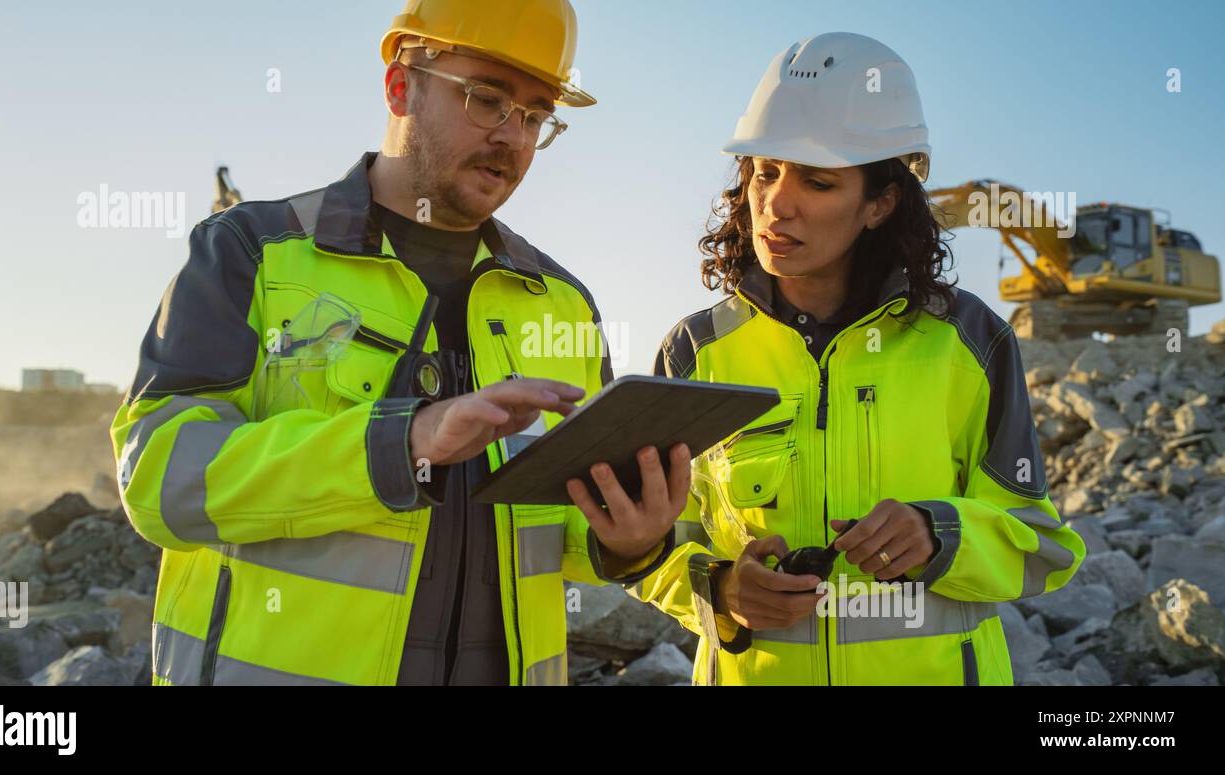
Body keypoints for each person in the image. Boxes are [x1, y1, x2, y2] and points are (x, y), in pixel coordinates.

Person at [110, 0, 689, 686]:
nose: (513, 137)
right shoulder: (253, 252)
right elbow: (160, 478)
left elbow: (554, 532)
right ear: (398, 85)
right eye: (486, 98)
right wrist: (403, 442)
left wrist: (626, 539)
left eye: (535, 116)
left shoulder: (560, 303)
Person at [631, 32, 1086, 685]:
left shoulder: (970, 341)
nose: (776, 203)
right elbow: (645, 545)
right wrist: (722, 591)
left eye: (817, 182)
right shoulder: (695, 353)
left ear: (880, 203)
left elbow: (1043, 546)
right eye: (764, 172)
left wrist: (940, 534)